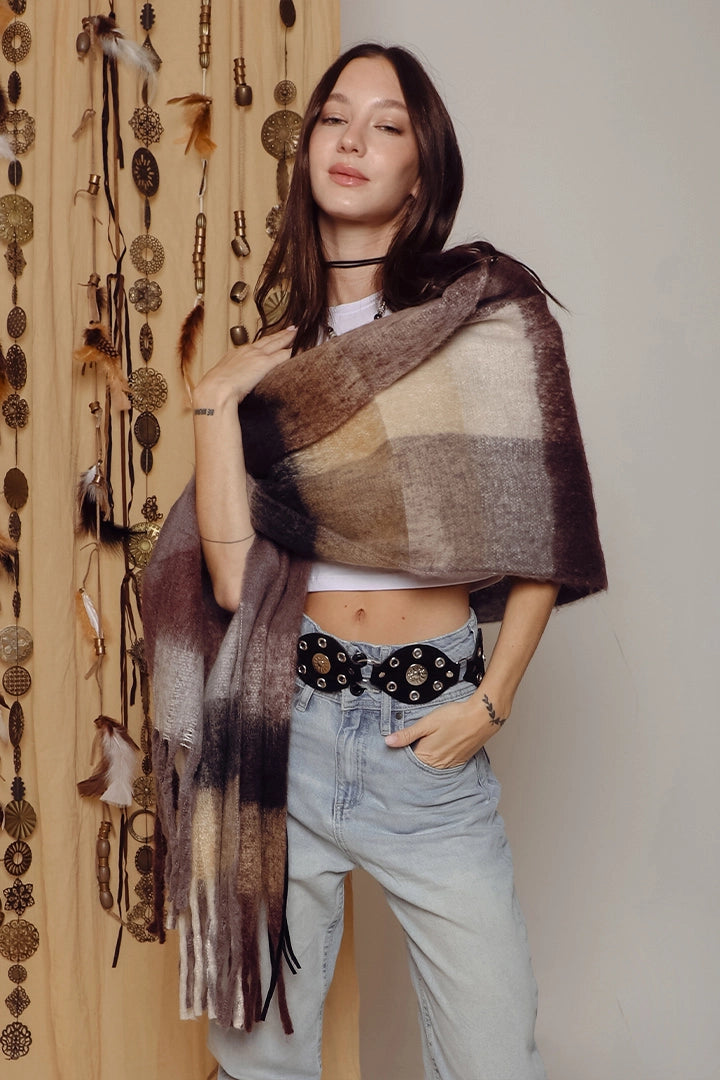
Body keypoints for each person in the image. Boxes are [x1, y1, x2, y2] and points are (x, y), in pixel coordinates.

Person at [143, 42, 606, 1080]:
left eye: (386, 125)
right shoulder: (277, 364)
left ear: (421, 171)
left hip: (425, 742)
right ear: (308, 146)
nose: (353, 140)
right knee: (261, 1062)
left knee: (492, 1059)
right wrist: (213, 403)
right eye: (334, 117)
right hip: (284, 726)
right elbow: (234, 582)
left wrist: (492, 701)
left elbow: (543, 536)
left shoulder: (483, 321)